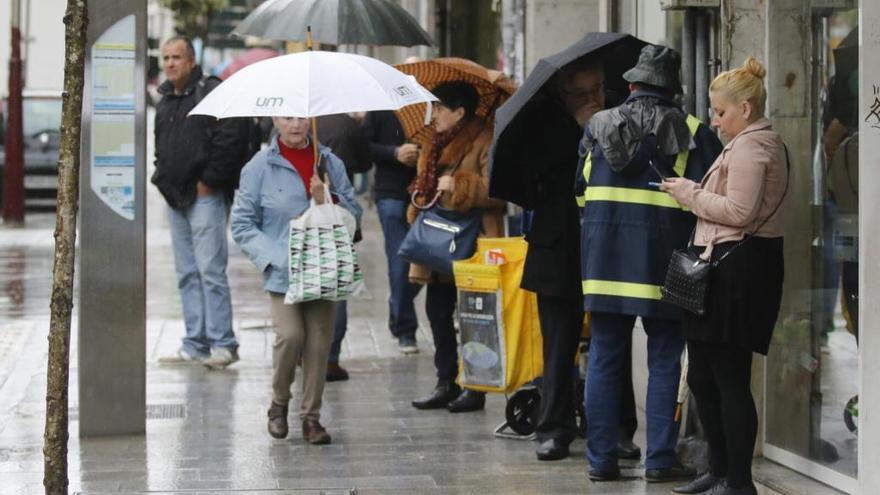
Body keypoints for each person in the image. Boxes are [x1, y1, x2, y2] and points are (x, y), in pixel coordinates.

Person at [575, 44, 722, 482]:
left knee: (603, 356)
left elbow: (581, 193)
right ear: (672, 90)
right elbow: (711, 200)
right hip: (664, 262)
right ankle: (659, 460)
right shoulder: (693, 129)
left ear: (632, 85)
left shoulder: (596, 126)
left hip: (603, 261)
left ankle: (601, 462)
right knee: (664, 358)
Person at [660, 58, 787, 495]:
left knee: (729, 375)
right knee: (702, 374)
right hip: (721, 266)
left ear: (746, 109)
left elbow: (739, 212)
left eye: (721, 112)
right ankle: (717, 469)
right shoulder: (742, 144)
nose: (714, 122)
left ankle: (738, 480)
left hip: (739, 270)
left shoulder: (754, 146)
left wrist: (689, 194)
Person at [518, 59, 639, 462]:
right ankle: (553, 428)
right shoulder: (544, 124)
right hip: (559, 246)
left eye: (599, 88)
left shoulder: (625, 115)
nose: (593, 98)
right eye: (582, 92)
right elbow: (533, 178)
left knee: (611, 340)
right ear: (563, 95)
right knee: (559, 343)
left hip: (610, 244)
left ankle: (619, 429)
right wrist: (579, 129)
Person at [231, 116, 362, 444]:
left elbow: (355, 217)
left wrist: (326, 198)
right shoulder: (259, 166)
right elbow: (243, 224)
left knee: (319, 343)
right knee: (290, 336)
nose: (296, 125)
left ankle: (311, 418)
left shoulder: (329, 162)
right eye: (288, 118)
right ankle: (279, 401)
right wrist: (275, 258)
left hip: (324, 265)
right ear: (276, 120)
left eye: (302, 117)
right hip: (283, 271)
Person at [408, 81, 506, 413]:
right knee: (437, 311)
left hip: (472, 240)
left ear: (459, 112)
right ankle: (445, 381)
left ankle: (475, 386)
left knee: (474, 316)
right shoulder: (431, 142)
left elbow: (499, 190)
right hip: (438, 241)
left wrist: (460, 185)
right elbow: (425, 185)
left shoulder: (485, 138)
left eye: (440, 108)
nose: (434, 114)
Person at [153, 36, 243, 369]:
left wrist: (210, 181)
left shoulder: (211, 92)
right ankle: (195, 342)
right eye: (165, 58)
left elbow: (230, 136)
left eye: (177, 57)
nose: (170, 64)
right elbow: (161, 145)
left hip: (205, 197)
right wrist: (162, 175)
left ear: (191, 60)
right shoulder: (165, 100)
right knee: (187, 273)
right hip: (175, 197)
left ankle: (223, 343)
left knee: (210, 271)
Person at [316, 113, 373, 382]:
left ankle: (311, 355)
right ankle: (329, 359)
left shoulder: (283, 130)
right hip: (337, 224)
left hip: (309, 226)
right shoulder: (345, 123)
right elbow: (364, 161)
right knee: (336, 290)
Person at [361, 109, 423, 355]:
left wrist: (420, 153)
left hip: (423, 196)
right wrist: (395, 152)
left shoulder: (426, 109)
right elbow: (364, 147)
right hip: (391, 195)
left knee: (425, 264)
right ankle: (406, 330)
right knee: (400, 264)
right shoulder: (379, 110)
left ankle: (398, 308)